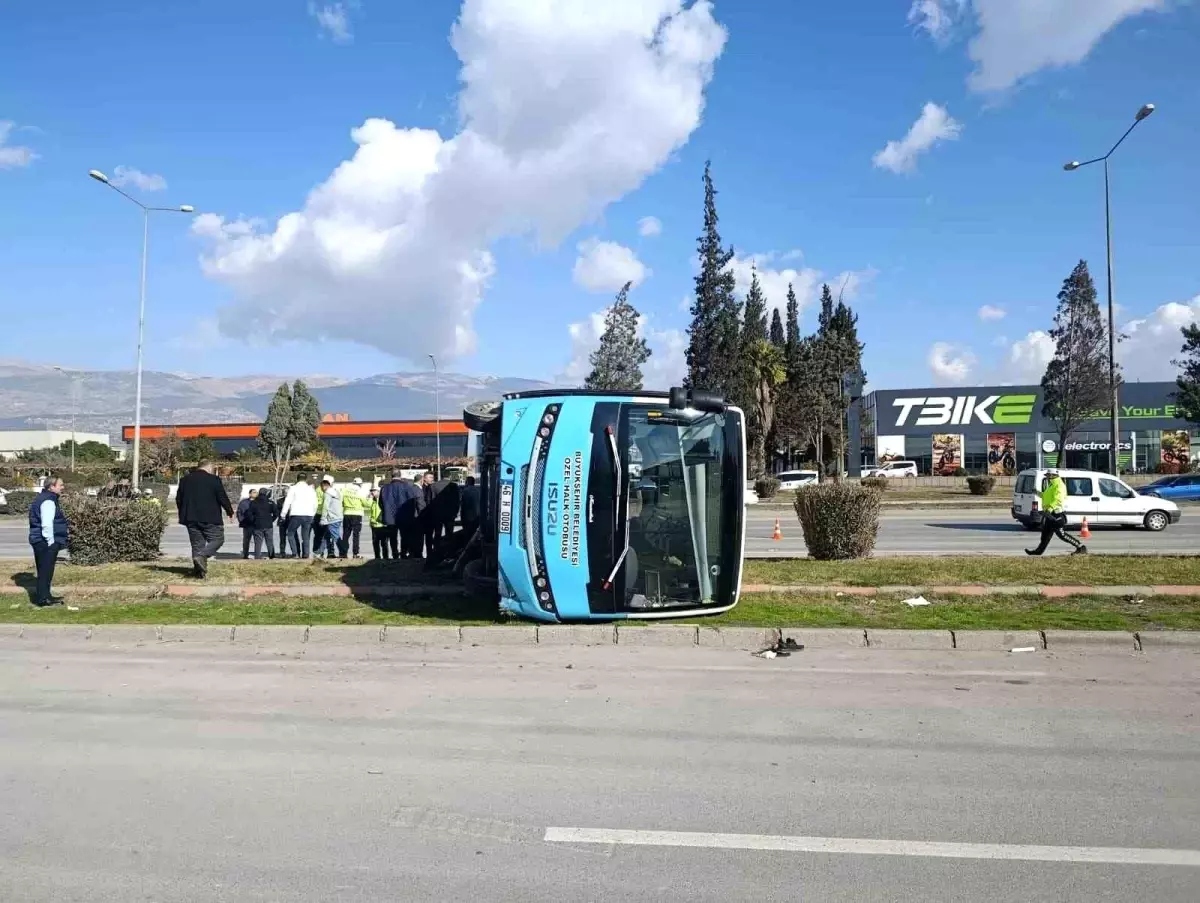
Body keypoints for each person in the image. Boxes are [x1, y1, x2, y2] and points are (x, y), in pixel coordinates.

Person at [176, 461, 234, 578]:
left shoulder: (185, 480)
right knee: (218, 539)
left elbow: (179, 499)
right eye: (213, 468)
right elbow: (221, 496)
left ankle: (199, 573)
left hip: (190, 517)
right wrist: (230, 511)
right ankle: (202, 556)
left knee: (197, 544)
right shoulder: (213, 479)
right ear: (208, 467)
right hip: (210, 517)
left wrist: (183, 513)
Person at [1026, 469, 1087, 556]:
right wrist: (1037, 493)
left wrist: (1050, 508)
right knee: (1045, 535)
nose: (1046, 477)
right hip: (1049, 514)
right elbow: (1046, 496)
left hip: (1056, 514)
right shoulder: (1052, 484)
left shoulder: (1059, 485)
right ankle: (1038, 551)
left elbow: (1057, 499)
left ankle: (1081, 547)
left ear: (1052, 475)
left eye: (1048, 475)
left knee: (1061, 535)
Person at [28, 476, 68, 607]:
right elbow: (46, 524)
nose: (62, 487)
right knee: (46, 570)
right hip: (45, 541)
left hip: (40, 540)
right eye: (60, 485)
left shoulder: (45, 498)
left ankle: (45, 595)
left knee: (44, 570)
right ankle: (43, 599)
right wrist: (50, 542)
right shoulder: (48, 501)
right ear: (51, 487)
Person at [380, 469, 421, 559]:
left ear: (391, 476)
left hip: (390, 516)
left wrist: (385, 511)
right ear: (400, 475)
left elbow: (381, 503)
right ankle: (403, 553)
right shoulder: (407, 487)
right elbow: (412, 502)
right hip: (404, 516)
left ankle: (395, 553)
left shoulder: (384, 488)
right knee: (405, 536)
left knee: (392, 537)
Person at [281, 474, 318, 559]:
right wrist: (313, 513)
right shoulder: (311, 489)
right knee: (305, 536)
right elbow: (315, 503)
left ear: (297, 479)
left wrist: (283, 514)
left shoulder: (293, 488)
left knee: (290, 533)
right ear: (306, 479)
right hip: (308, 514)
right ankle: (306, 554)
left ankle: (295, 553)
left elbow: (288, 501)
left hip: (296, 514)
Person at [247, 486, 278, 560]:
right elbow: (276, 513)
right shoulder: (270, 502)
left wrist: (254, 521)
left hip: (257, 524)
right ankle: (272, 556)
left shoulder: (253, 502)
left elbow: (249, 514)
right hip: (268, 524)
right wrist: (271, 520)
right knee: (269, 541)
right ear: (267, 493)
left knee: (258, 542)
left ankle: (257, 556)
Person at [319, 475, 345, 559]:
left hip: (332, 518)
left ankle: (343, 552)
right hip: (338, 517)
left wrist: (323, 518)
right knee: (327, 536)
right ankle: (320, 552)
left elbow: (325, 506)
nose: (321, 489)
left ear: (324, 485)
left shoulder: (328, 493)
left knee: (335, 536)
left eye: (321, 487)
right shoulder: (336, 492)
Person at [342, 476, 366, 559]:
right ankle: (355, 553)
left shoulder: (346, 490)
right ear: (360, 484)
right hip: (357, 514)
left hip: (347, 514)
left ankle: (343, 553)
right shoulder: (360, 491)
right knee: (356, 535)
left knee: (345, 534)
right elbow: (365, 503)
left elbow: (342, 501)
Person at [367, 487, 387, 560]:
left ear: (379, 492)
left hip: (382, 525)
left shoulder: (383, 500)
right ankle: (377, 557)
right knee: (375, 543)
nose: (372, 492)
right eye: (371, 491)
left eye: (374, 491)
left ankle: (385, 557)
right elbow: (367, 505)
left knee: (384, 544)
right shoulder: (373, 501)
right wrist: (369, 498)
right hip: (374, 525)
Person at [237, 489, 256, 559]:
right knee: (246, 540)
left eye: (256, 493)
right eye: (254, 492)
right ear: (250, 494)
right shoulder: (243, 502)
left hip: (256, 524)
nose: (255, 494)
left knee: (257, 540)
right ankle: (245, 554)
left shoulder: (258, 502)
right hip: (247, 525)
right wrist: (241, 521)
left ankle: (257, 554)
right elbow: (239, 512)